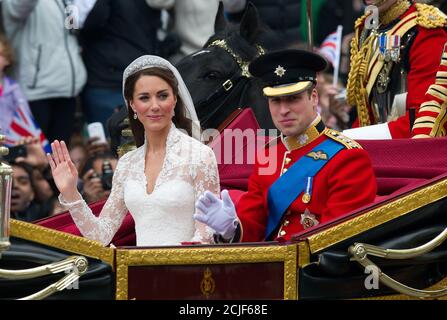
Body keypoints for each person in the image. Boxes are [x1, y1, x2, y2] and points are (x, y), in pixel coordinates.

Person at [194, 49, 377, 242]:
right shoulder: (269, 154)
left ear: (313, 97)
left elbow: (336, 241)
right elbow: (254, 222)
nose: (283, 110)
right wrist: (232, 230)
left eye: (293, 99)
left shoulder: (347, 157)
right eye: (275, 101)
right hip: (271, 265)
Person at [46, 55, 220, 246]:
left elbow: (206, 236)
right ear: (132, 105)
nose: (155, 106)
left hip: (185, 271)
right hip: (138, 272)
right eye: (144, 98)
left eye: (162, 96)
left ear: (175, 100)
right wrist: (71, 193)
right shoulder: (127, 163)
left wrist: (171, 265)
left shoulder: (200, 155)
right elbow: (100, 235)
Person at [345, 0, 447, 139]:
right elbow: (366, 114)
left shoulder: (424, 29)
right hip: (378, 146)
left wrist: (352, 137)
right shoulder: (367, 29)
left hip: (411, 147)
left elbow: (422, 118)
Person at [2, 0, 87, 143]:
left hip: (68, 90)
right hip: (35, 94)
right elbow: (19, 7)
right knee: (35, 159)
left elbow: (73, 29)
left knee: (60, 158)